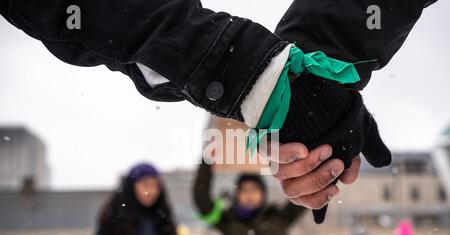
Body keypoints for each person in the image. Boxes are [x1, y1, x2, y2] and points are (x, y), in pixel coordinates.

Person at [0, 1, 435, 214]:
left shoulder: (266, 220)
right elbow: (203, 197)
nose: (247, 196)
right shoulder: (219, 221)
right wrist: (276, 74)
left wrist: (289, 72)